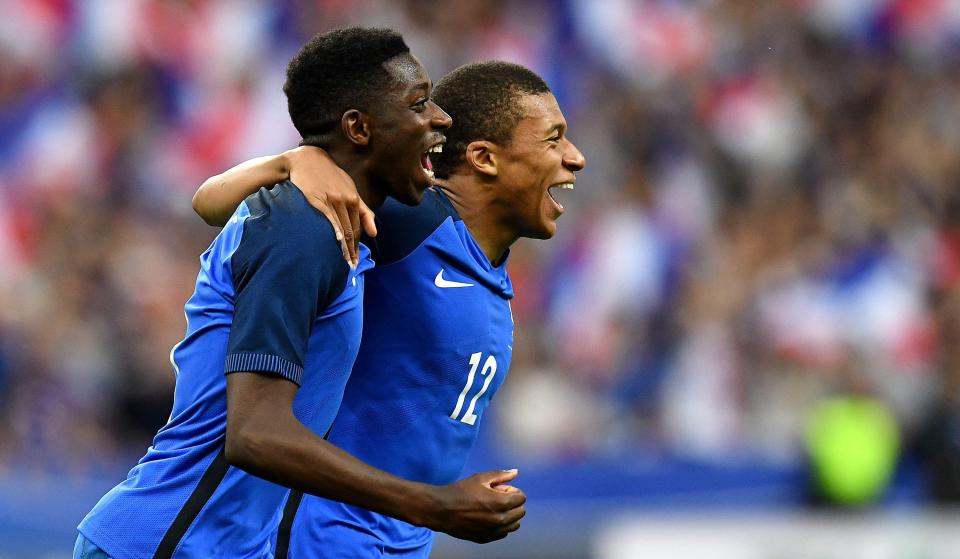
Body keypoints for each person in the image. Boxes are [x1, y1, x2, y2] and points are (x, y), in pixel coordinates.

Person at [75, 28, 526, 559]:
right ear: (359, 127)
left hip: (224, 546)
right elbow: (255, 434)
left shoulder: (339, 223)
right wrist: (432, 505)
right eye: (419, 103)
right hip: (164, 543)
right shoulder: (301, 231)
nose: (441, 119)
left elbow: (208, 201)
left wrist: (292, 159)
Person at [193, 60, 585, 558]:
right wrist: (296, 161)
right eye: (554, 139)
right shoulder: (413, 220)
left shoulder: (490, 270)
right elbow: (213, 203)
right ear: (484, 157)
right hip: (314, 537)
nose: (576, 158)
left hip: (399, 541)